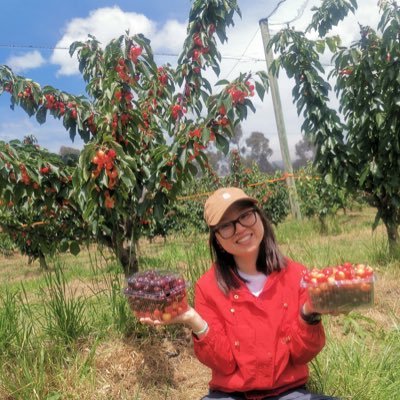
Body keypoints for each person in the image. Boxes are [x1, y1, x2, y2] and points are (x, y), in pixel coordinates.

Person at [139, 187, 341, 400]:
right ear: (217, 239)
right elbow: (224, 364)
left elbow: (302, 355)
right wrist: (194, 320)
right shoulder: (207, 287)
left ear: (259, 216)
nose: (240, 229)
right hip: (231, 395)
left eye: (245, 216)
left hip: (287, 393)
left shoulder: (296, 275)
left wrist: (309, 313)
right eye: (226, 226)